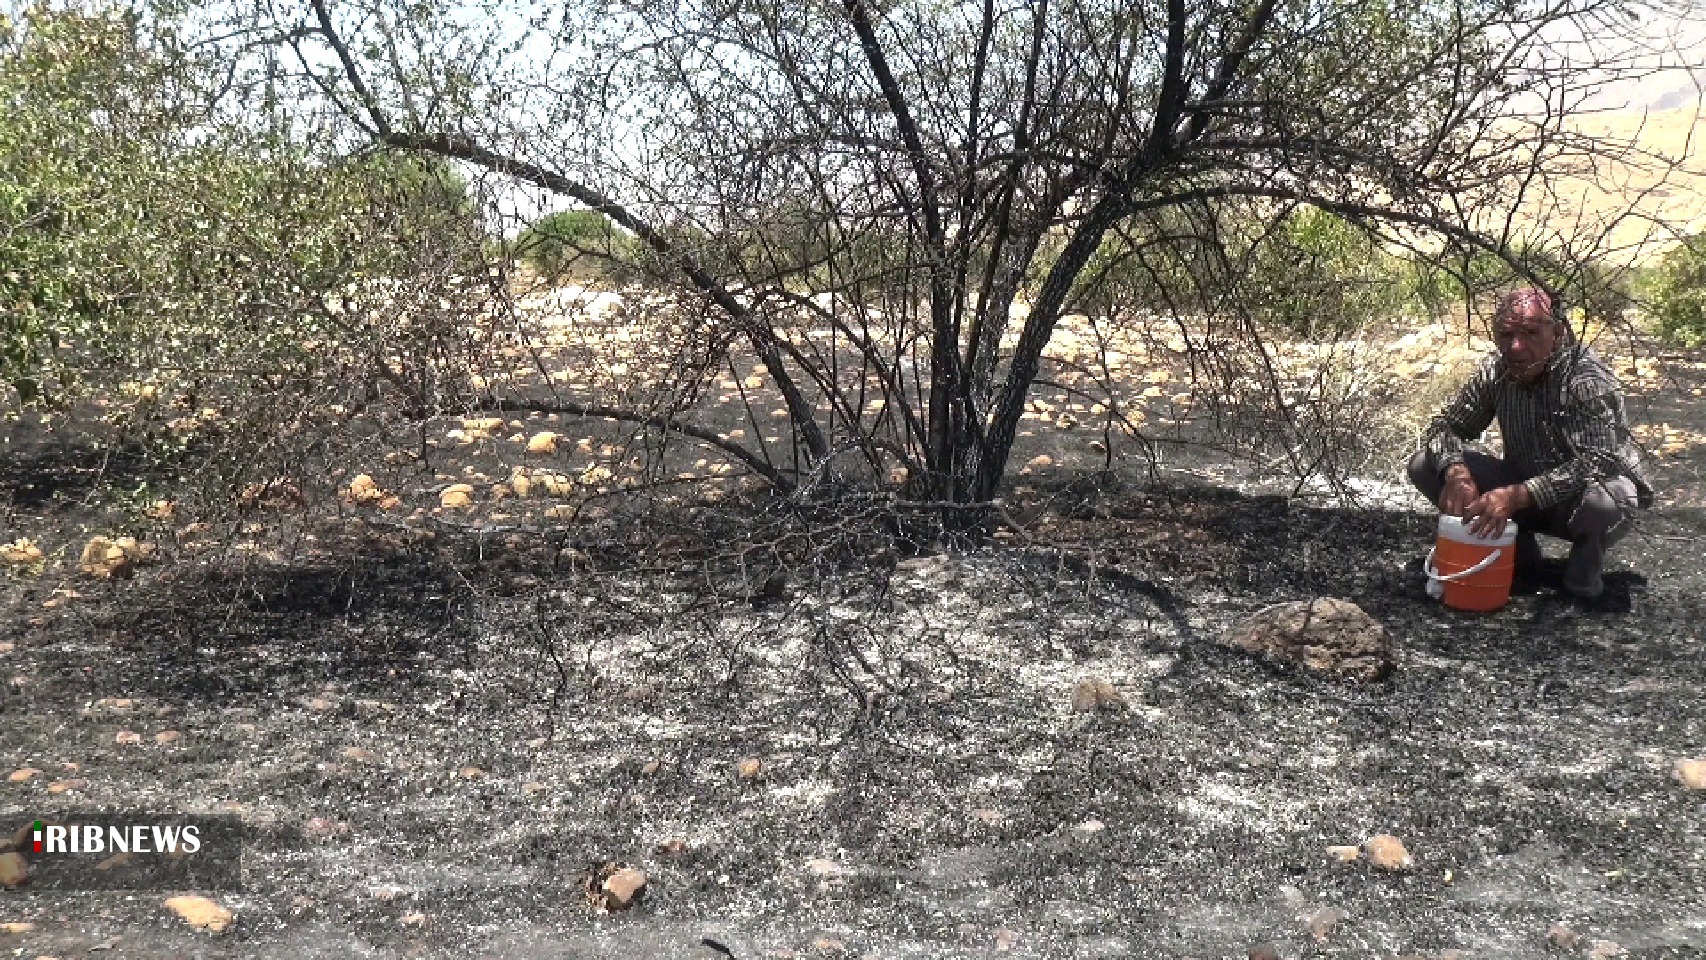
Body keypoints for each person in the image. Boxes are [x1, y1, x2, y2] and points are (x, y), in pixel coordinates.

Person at [1407, 287, 1653, 599]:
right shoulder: (1495, 372)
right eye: (1506, 334)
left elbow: (1598, 462)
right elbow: (1446, 426)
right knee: (1425, 464)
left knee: (1608, 498)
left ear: (1558, 332)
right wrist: (1457, 472)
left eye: (1531, 332)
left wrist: (1517, 496)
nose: (1516, 346)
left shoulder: (1585, 379)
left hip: (1577, 501)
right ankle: (1516, 551)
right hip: (1522, 486)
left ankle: (1583, 570)